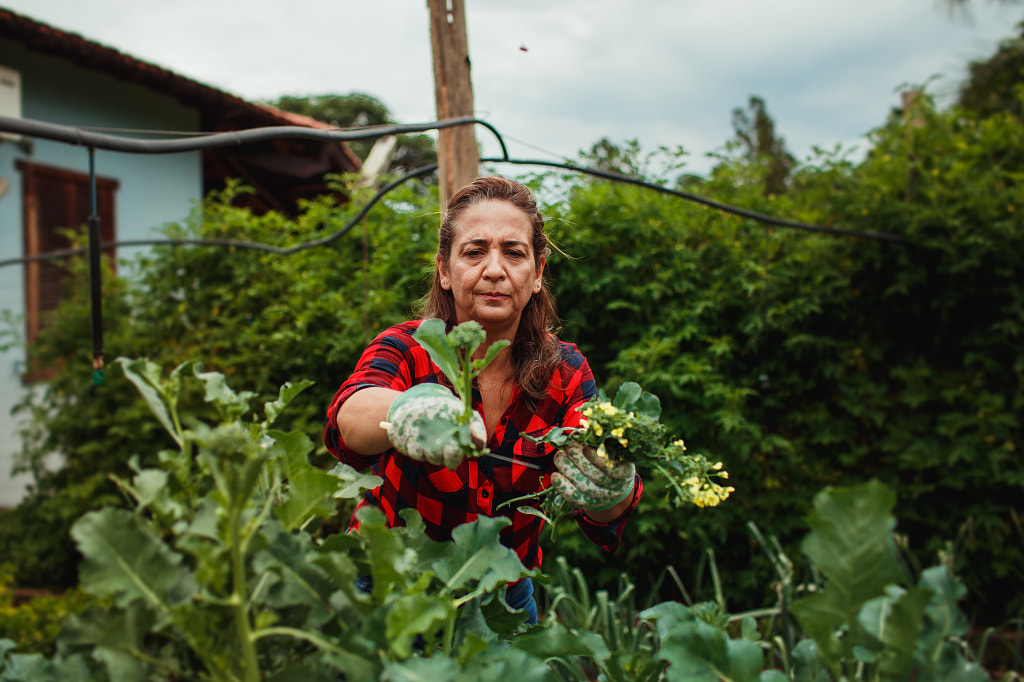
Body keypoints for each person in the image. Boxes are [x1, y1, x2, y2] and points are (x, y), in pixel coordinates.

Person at [323, 175, 643, 624]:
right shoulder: (409, 348)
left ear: (537, 273)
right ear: (444, 270)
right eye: (475, 252)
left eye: (514, 252)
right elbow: (348, 419)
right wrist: (406, 410)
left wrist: (612, 483)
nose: (495, 269)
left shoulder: (566, 372)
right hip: (389, 586)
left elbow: (604, 509)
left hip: (503, 601)